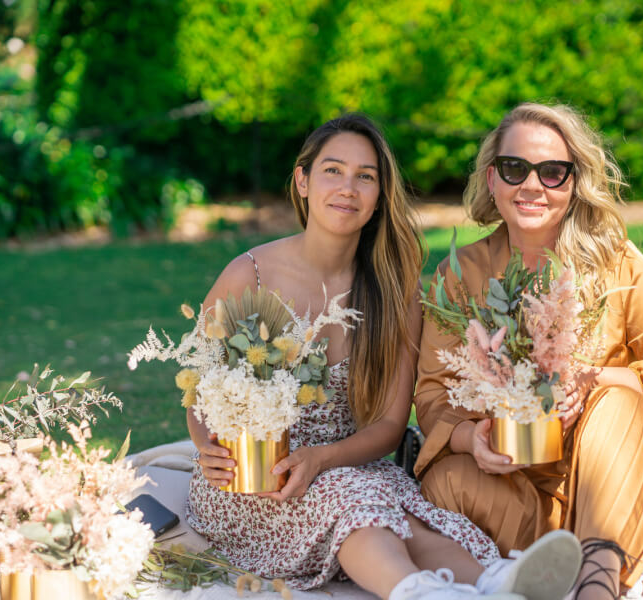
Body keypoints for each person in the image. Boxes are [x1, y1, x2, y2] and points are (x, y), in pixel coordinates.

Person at [185, 114, 583, 600]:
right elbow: (197, 387)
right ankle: (418, 592)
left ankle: (497, 581)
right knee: (354, 499)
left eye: (365, 176)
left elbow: (390, 428)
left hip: (344, 462)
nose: (348, 188)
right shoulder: (249, 275)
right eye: (332, 170)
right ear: (302, 180)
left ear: (378, 196)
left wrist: (322, 459)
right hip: (257, 485)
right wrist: (207, 448)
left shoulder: (395, 293)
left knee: (406, 510)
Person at [413, 103, 643, 600]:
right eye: (515, 169)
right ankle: (550, 569)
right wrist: (473, 440)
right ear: (492, 180)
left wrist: (605, 379)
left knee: (617, 402)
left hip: (619, 468)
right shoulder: (461, 274)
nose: (531, 186)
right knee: (445, 478)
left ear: (574, 183)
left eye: (553, 172)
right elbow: (431, 398)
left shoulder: (615, 261)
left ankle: (598, 576)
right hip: (517, 489)